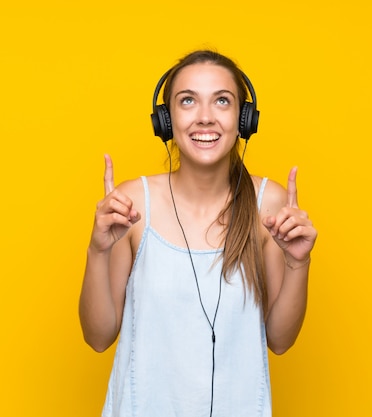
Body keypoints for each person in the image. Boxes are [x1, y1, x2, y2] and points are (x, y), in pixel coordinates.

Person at [79, 49, 317, 417]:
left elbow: (280, 341)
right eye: (187, 101)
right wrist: (97, 251)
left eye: (221, 101)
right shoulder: (131, 203)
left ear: (243, 120)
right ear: (166, 120)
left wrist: (299, 264)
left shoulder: (268, 203)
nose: (205, 117)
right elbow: (97, 338)